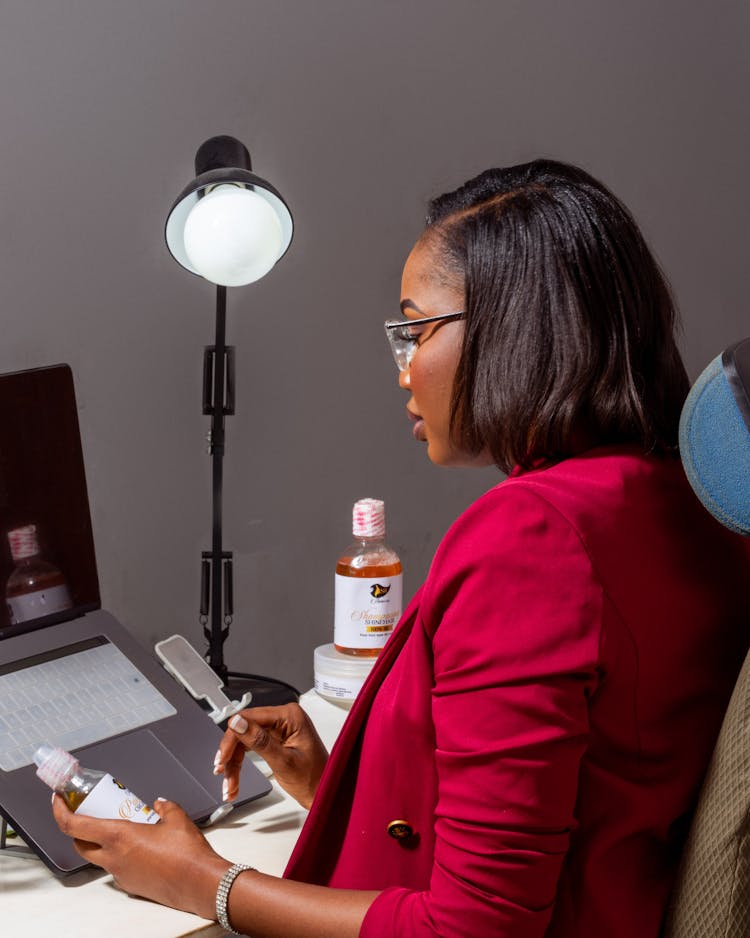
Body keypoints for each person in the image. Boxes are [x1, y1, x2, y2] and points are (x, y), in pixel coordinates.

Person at [52, 159, 750, 937]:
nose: (403, 371)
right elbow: (591, 799)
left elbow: (475, 930)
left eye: (413, 329)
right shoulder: (687, 499)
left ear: (511, 329)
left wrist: (203, 880)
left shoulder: (534, 537)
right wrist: (341, 781)